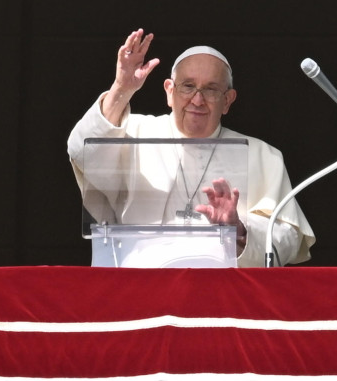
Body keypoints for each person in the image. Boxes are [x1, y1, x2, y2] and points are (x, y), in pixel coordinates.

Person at [67, 29, 315, 267]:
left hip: (222, 298)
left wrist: (239, 231)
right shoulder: (132, 132)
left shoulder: (262, 155)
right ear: (169, 91)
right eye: (188, 86)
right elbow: (83, 152)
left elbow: (287, 240)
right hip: (142, 289)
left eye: (211, 89)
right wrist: (121, 89)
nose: (198, 100)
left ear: (228, 100)